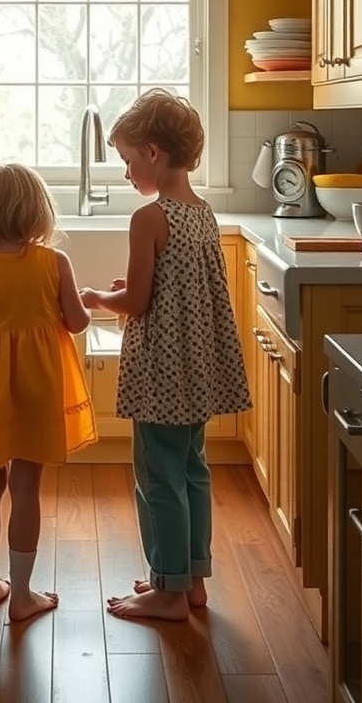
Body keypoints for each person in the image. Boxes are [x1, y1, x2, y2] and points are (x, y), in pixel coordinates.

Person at [80, 88, 251, 621]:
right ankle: (190, 578)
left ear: (153, 153)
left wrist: (96, 298)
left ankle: (169, 592)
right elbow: (175, 288)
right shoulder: (203, 214)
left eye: (129, 161)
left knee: (159, 480)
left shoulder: (148, 219)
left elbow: (135, 300)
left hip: (160, 374)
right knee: (194, 472)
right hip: (198, 373)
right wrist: (131, 287)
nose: (128, 174)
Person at [0, 163, 97, 621]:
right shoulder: (55, 262)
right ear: (38, 213)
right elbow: (77, 322)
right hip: (38, 391)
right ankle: (22, 596)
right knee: (26, 486)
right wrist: (83, 301)